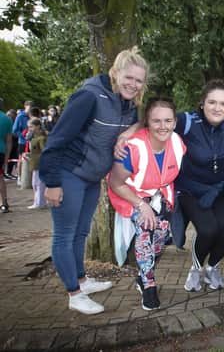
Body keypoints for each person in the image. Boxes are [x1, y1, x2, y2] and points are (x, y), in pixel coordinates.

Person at [39, 46, 149, 315]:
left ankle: (81, 280)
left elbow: (139, 122)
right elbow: (56, 139)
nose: (133, 85)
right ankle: (74, 294)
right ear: (115, 72)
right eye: (129, 78)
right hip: (68, 174)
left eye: (139, 80)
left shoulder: (127, 104)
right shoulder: (89, 96)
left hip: (91, 178)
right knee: (65, 236)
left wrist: (127, 134)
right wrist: (52, 182)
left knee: (81, 232)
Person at [108, 98, 186, 310]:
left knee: (160, 240)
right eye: (156, 121)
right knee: (146, 226)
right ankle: (149, 284)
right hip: (132, 196)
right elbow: (115, 182)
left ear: (175, 122)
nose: (163, 126)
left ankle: (143, 275)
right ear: (147, 123)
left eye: (168, 120)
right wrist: (142, 205)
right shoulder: (132, 147)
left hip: (162, 197)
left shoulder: (178, 142)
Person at [174, 80, 224, 292]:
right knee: (208, 230)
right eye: (212, 102)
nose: (218, 108)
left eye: (223, 104)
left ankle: (213, 267)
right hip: (192, 189)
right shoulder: (187, 121)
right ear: (202, 103)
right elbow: (154, 121)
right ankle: (196, 269)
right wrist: (125, 136)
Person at [27, 118, 48, 209]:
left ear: (38, 126)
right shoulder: (34, 137)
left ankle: (40, 203)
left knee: (39, 184)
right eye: (29, 127)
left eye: (31, 126)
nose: (30, 129)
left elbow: (44, 151)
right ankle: (38, 202)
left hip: (40, 164)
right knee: (35, 184)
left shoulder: (42, 138)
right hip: (35, 164)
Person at [0, 98, 13, 213]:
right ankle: (4, 204)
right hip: (1, 150)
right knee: (0, 178)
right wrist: (6, 157)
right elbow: (9, 141)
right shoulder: (7, 119)